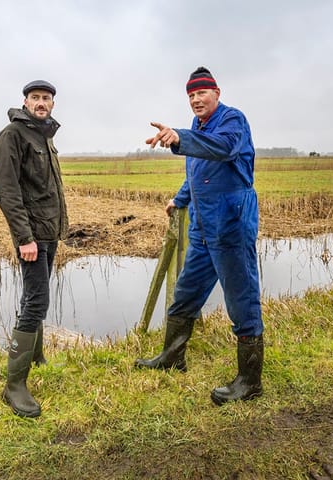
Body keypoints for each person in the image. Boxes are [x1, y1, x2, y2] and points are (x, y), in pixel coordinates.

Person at [136, 66, 264, 406]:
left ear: (216, 93)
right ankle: (172, 358)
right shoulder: (198, 126)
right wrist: (180, 199)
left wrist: (179, 137)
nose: (195, 99)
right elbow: (198, 170)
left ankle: (250, 382)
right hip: (203, 230)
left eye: (201, 93)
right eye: (191, 94)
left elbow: (220, 150)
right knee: (186, 293)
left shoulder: (232, 122)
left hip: (231, 225)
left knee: (241, 299)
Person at [0, 79, 69, 417]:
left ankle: (36, 356)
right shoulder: (13, 135)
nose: (41, 103)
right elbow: (5, 190)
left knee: (34, 295)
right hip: (32, 235)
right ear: (25, 102)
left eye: (46, 98)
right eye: (36, 98)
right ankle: (14, 386)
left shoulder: (45, 136)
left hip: (49, 232)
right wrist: (25, 238)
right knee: (38, 300)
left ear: (52, 103)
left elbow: (49, 189)